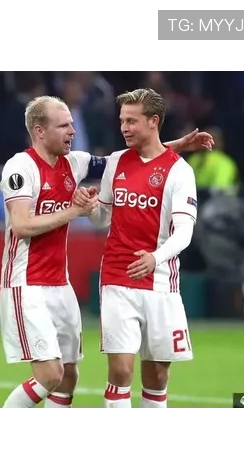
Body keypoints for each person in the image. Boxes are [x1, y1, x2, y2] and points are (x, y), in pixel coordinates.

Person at [0, 95, 212, 408]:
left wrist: (176, 145)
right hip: (26, 283)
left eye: (72, 124)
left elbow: (131, 158)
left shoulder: (75, 162)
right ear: (40, 131)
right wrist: (75, 211)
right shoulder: (20, 168)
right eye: (63, 126)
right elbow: (20, 226)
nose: (72, 131)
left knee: (68, 376)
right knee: (50, 375)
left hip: (60, 284)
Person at [75, 88, 200, 408]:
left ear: (153, 122)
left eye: (131, 121)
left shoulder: (180, 171)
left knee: (157, 376)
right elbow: (102, 219)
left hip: (160, 282)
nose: (124, 128)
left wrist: (155, 258)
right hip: (117, 277)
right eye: (122, 121)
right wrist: (90, 208)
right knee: (120, 371)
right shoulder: (117, 162)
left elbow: (185, 232)